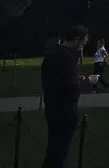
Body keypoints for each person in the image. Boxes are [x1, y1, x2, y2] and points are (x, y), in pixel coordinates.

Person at [41, 25, 88, 167]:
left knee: (54, 149)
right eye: (83, 42)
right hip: (65, 110)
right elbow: (69, 88)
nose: (82, 47)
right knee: (60, 152)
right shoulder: (66, 58)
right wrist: (87, 82)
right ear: (76, 40)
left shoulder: (51, 55)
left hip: (52, 108)